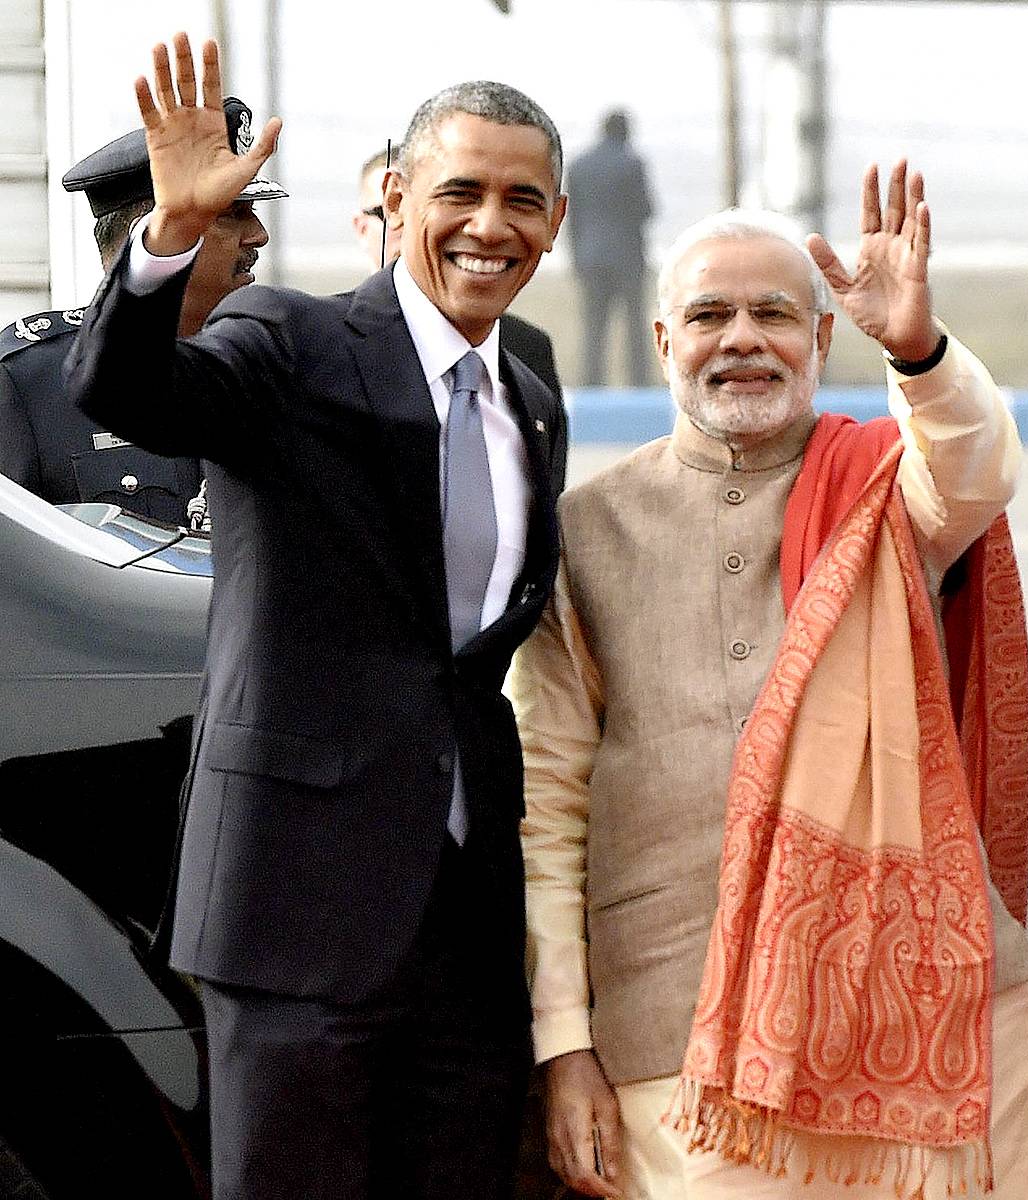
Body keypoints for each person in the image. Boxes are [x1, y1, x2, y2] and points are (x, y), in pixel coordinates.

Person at [511, 161, 1028, 1199]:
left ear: (821, 339)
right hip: (677, 1027)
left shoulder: (888, 487)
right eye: (710, 316)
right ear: (662, 342)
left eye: (773, 314)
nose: (742, 339)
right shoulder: (585, 532)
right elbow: (548, 800)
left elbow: (977, 467)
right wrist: (563, 1043)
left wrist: (916, 348)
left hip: (930, 1018)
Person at [62, 34, 569, 1200]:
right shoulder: (292, 340)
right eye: (460, 192)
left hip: (465, 919)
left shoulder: (532, 397)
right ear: (396, 198)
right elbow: (126, 389)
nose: (489, 225)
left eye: (521, 201)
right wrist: (172, 235)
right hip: (296, 908)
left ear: (555, 223)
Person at [0, 98, 280, 525]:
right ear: (157, 231)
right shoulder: (27, 382)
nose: (258, 235)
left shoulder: (271, 367)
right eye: (232, 214)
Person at [355, 145, 563, 400]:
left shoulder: (526, 348)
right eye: (388, 210)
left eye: (453, 201)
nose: (411, 225)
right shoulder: (324, 344)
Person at [565, 107, 653, 386]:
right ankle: (639, 384)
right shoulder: (632, 163)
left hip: (590, 256)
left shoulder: (579, 165)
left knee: (594, 327)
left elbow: (571, 217)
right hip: (627, 256)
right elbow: (646, 209)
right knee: (634, 327)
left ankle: (592, 384)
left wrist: (575, 258)